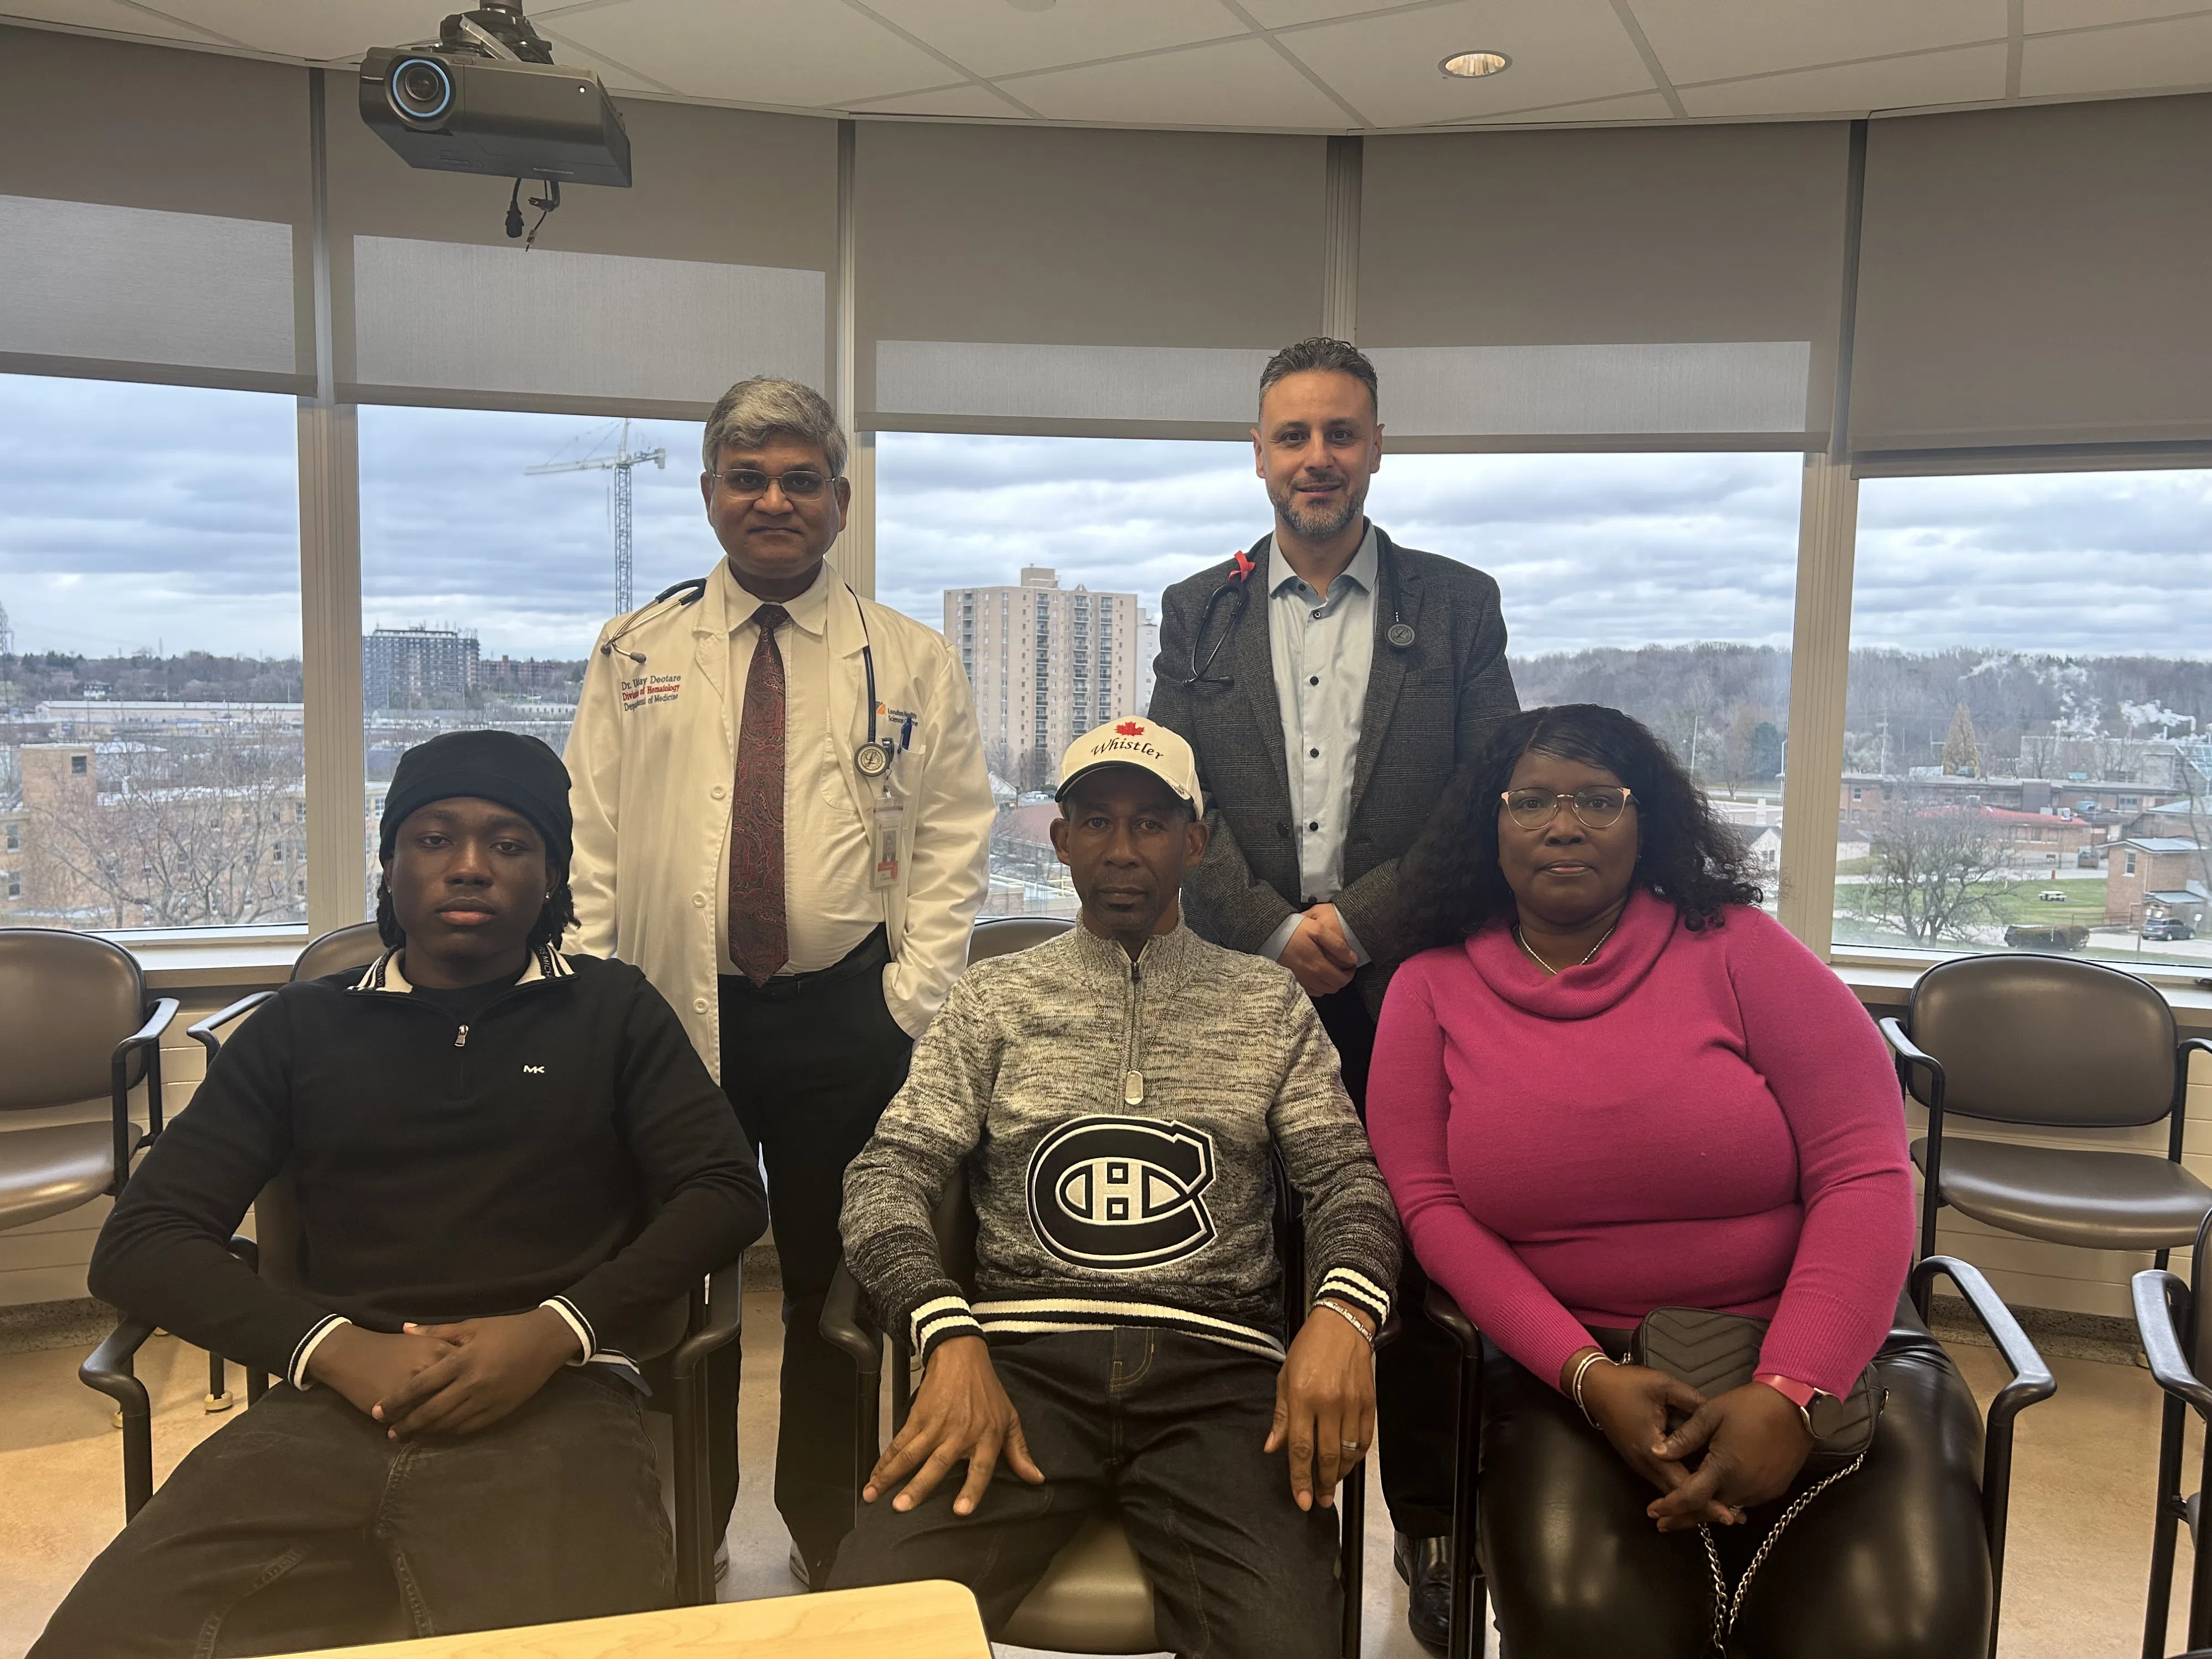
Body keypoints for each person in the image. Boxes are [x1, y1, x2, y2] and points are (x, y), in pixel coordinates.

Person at [32, 729, 766, 1658]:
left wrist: (555, 1329)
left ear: (551, 878)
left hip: (558, 1405)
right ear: (389, 865)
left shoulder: (614, 1011)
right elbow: (142, 1241)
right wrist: (333, 1349)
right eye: (434, 839)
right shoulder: (299, 1028)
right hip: (327, 1409)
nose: (469, 867)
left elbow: (726, 1190)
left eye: (508, 844)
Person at [1366, 705, 1991, 1658]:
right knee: (1592, 1628)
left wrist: (1790, 1388)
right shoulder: (1429, 988)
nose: (1564, 824)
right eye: (1530, 800)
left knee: (1893, 1633)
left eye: (1599, 800)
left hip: (1826, 1355)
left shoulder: (1739, 948)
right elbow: (1430, 1210)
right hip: (1571, 1376)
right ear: (1487, 826)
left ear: (1647, 818)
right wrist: (1589, 1377)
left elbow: (1864, 1172)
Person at [827, 717, 1401, 1659]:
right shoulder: (992, 998)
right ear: (1060, 841)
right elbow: (888, 1173)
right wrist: (946, 1331)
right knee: (862, 1634)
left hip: (1219, 1386)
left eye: (1151, 824)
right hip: (1015, 1371)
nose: (1123, 851)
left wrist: (1344, 1315)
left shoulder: (1268, 1003)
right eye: (1095, 823)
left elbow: (1347, 1182)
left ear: (1195, 843)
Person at [565, 376, 993, 1586]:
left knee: (833, 1288)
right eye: (746, 478)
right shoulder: (632, 651)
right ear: (707, 496)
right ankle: (684, 1525)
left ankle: (825, 1522)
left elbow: (958, 832)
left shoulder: (908, 657)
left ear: (839, 503)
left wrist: (910, 996)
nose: (772, 500)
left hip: (844, 1022)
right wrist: (605, 1000)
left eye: (799, 479)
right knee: (669, 1284)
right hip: (666, 1021)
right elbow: (590, 837)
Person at [1147, 334, 1518, 1646]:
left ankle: (1425, 1524)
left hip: (1408, 987)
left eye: (1340, 433)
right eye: (1291, 435)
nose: (1316, 457)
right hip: (1244, 987)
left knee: (1405, 1263)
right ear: (1257, 454)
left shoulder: (1457, 605)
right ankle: (1269, 1513)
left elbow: (1485, 802)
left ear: (1376, 446)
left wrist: (1352, 924)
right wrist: (1267, 930)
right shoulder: (1196, 609)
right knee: (1251, 1261)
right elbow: (1167, 793)